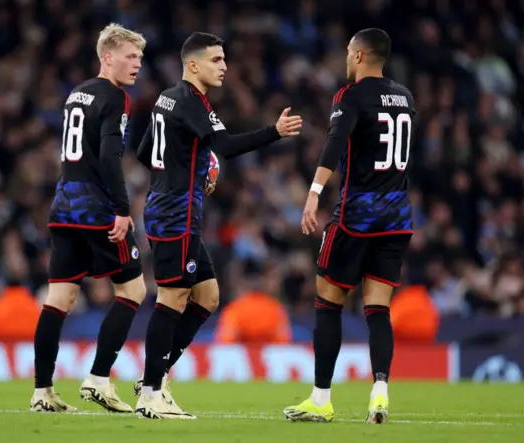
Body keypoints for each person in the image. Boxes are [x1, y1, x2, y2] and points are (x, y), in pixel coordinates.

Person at [133, 32, 302, 419]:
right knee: (172, 298)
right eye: (217, 60)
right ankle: (151, 392)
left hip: (171, 206)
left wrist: (178, 174)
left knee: (207, 297)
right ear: (193, 64)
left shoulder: (167, 98)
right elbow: (224, 147)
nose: (225, 66)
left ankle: (154, 379)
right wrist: (273, 132)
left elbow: (145, 152)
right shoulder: (191, 101)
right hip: (175, 211)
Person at [283, 28, 415, 424]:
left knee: (327, 301)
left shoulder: (351, 95)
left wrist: (313, 192)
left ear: (359, 55)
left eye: (347, 51)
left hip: (357, 216)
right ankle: (379, 392)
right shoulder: (405, 97)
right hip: (398, 217)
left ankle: (321, 398)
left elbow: (335, 141)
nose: (344, 57)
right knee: (378, 307)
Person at [30, 24, 147, 413]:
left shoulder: (76, 94)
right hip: (96, 207)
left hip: (64, 205)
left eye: (140, 58)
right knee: (133, 292)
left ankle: (42, 392)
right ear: (107, 57)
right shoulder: (116, 97)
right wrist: (122, 209)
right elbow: (110, 156)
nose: (136, 65)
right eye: (130, 56)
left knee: (59, 297)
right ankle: (98, 378)